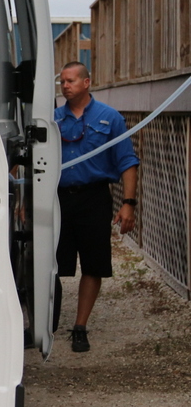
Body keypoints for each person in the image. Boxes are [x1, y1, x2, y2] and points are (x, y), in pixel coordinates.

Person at [54, 61, 138, 353]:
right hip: (57, 199)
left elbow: (127, 162)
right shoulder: (52, 120)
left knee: (93, 264)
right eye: (62, 82)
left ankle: (80, 326)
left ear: (86, 82)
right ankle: (45, 324)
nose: (65, 86)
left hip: (94, 198)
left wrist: (128, 204)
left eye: (71, 81)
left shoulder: (109, 118)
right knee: (50, 263)